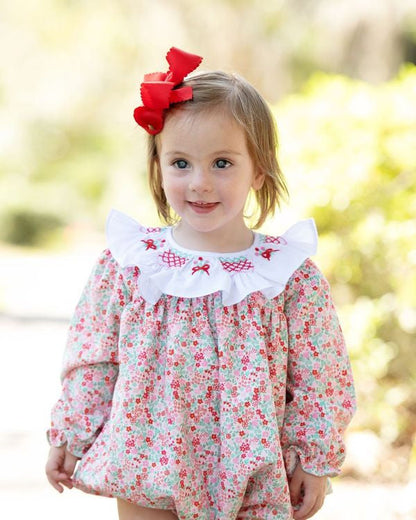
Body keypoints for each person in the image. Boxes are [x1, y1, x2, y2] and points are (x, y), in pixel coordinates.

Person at [45, 47, 356, 520]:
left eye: (223, 163)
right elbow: (94, 357)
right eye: (181, 163)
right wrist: (73, 433)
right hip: (146, 465)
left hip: (251, 474)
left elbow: (320, 376)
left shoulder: (286, 276)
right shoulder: (131, 264)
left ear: (260, 169)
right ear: (159, 166)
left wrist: (314, 459)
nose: (200, 184)